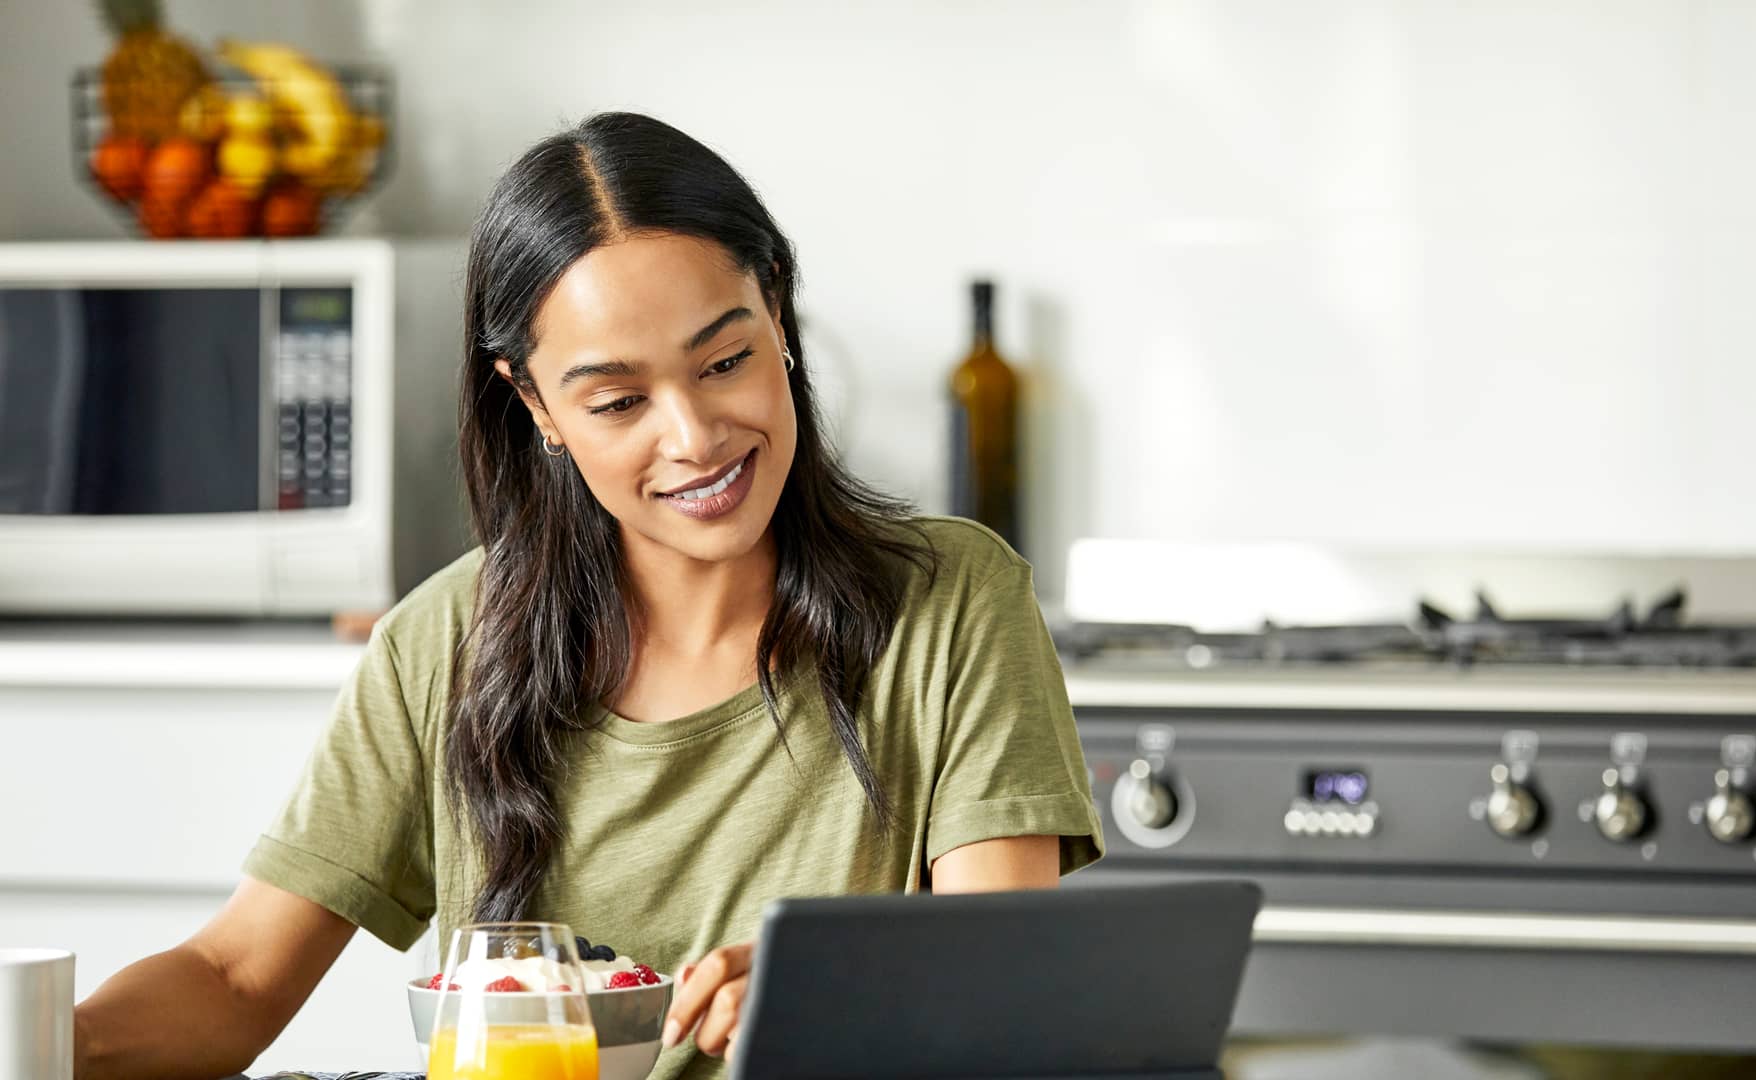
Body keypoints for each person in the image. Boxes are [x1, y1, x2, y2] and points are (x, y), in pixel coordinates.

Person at [71, 111, 1104, 1079]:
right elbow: (235, 976)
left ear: (778, 310)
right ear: (535, 403)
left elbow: (996, 980)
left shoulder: (951, 600)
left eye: (726, 360)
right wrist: (40, 1044)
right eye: (618, 400)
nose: (694, 437)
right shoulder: (444, 640)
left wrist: (852, 993)